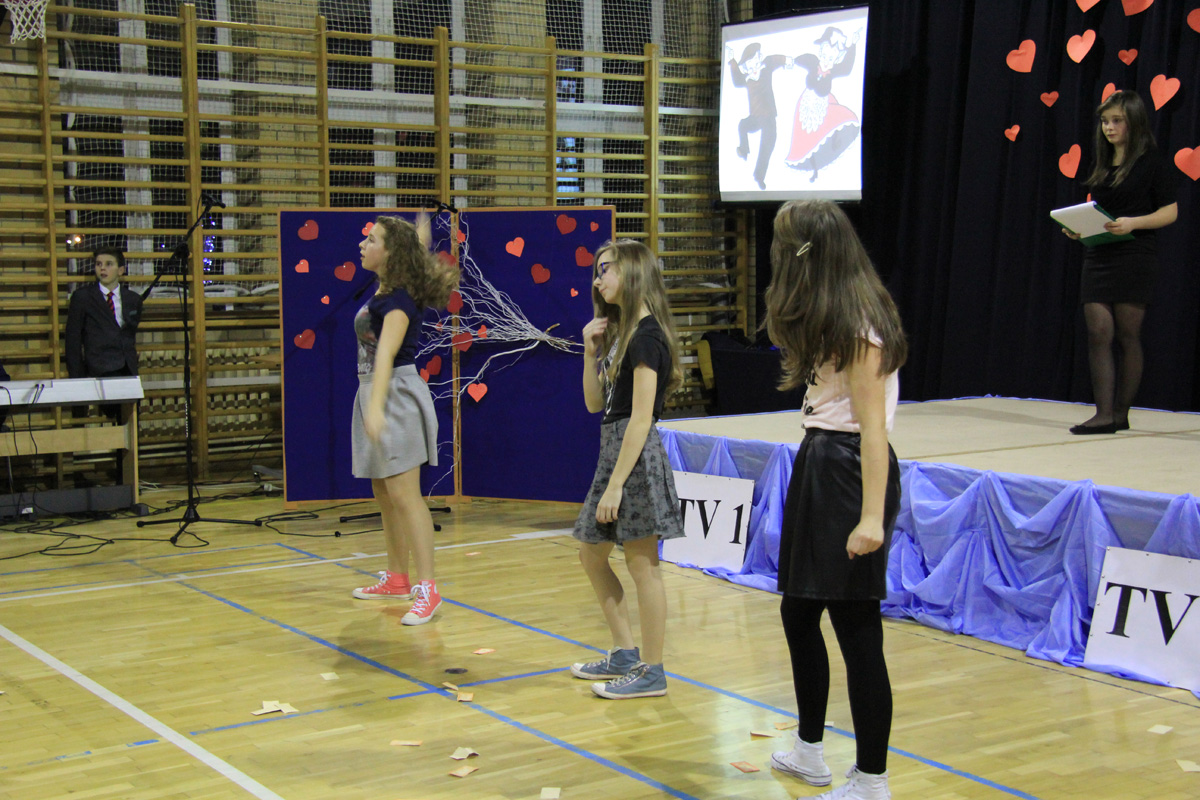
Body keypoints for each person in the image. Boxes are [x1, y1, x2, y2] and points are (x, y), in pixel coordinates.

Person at [764, 200, 906, 800]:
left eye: (784, 244)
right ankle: (809, 749)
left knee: (856, 627)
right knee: (798, 613)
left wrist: (871, 517)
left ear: (808, 250)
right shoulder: (833, 314)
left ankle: (871, 780)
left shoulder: (860, 324)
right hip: (821, 462)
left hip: (848, 472)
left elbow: (873, 430)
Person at [567, 239, 686, 699]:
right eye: (597, 271)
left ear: (632, 273)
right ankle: (624, 653)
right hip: (614, 451)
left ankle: (652, 670)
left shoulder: (647, 337)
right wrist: (589, 353)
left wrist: (616, 485)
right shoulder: (623, 335)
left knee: (642, 566)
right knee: (590, 553)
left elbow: (641, 418)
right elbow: (593, 404)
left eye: (606, 269)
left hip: (634, 459)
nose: (598, 280)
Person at [350, 215, 458, 626]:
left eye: (372, 239)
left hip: (395, 395)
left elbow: (385, 356)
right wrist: (418, 235)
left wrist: (377, 407)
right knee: (384, 491)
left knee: (405, 495)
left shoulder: (397, 303)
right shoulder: (388, 290)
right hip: (375, 390)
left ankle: (428, 588)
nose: (363, 245)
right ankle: (397, 578)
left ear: (390, 253)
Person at [1064, 89, 1177, 434]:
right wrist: (1079, 229)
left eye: (1116, 121)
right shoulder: (1101, 162)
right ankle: (1103, 413)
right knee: (1098, 331)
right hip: (1099, 254)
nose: (1109, 128)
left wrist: (1133, 223)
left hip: (1135, 254)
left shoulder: (1152, 162)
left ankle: (1120, 413)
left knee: (1128, 334)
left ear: (1134, 123)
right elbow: (1098, 211)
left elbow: (1170, 212)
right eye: (1104, 121)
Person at [65, 247, 143, 384]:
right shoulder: (83, 297)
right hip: (98, 369)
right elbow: (73, 340)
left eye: (109, 264)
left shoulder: (133, 299)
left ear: (120, 270)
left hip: (127, 368)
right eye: (98, 264)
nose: (102, 268)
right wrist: (77, 377)